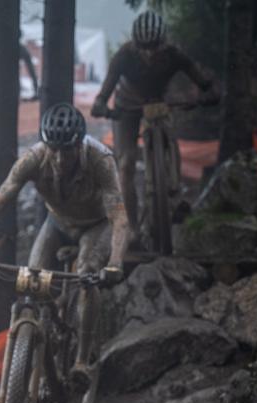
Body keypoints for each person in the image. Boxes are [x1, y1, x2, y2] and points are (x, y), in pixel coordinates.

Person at [0, 103, 127, 389]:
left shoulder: (101, 159)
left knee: (86, 274)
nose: (60, 158)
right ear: (45, 144)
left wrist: (115, 263)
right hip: (57, 223)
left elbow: (119, 217)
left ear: (80, 145)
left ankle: (82, 360)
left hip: (96, 225)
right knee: (32, 279)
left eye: (68, 150)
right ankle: (37, 352)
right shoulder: (32, 159)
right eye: (54, 149)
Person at [91, 10, 218, 236]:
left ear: (163, 43)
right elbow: (105, 91)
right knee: (126, 164)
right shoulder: (123, 55)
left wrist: (207, 93)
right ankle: (130, 227)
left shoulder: (174, 55)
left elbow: (200, 79)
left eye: (154, 47)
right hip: (127, 107)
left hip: (159, 103)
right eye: (143, 47)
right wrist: (102, 106)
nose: (149, 53)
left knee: (171, 138)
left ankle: (175, 195)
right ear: (134, 44)